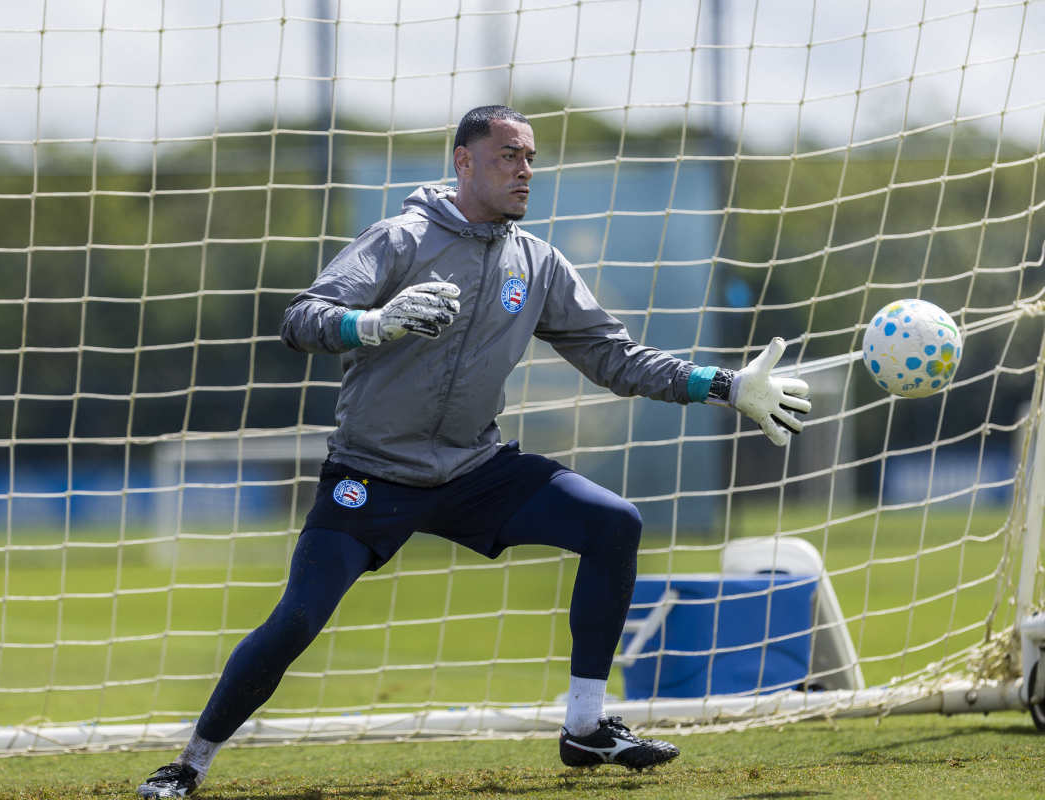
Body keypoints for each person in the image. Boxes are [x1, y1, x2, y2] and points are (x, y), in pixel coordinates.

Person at [136, 105, 811, 798]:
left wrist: (722, 384)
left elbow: (612, 356)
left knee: (614, 523)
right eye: (509, 156)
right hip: (371, 473)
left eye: (531, 159)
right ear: (463, 161)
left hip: (473, 469)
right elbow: (301, 318)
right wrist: (369, 322)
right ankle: (189, 763)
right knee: (300, 617)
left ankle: (585, 728)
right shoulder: (400, 238)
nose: (525, 171)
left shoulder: (537, 262)